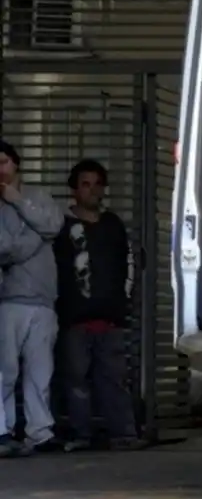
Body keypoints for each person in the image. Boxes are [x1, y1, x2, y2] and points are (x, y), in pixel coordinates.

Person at [53, 159, 144, 452]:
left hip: (110, 319)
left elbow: (128, 264)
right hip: (73, 319)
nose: (92, 190)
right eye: (85, 184)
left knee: (115, 379)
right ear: (74, 189)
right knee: (76, 380)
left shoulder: (112, 225)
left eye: (97, 184)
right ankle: (80, 434)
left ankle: (123, 433)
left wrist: (124, 300)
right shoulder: (61, 227)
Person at [0, 140, 64, 456]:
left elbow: (55, 224)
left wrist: (18, 201)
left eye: (3, 162)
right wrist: (39, 236)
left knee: (41, 373)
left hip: (43, 301)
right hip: (8, 300)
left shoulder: (37, 196)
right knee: (6, 372)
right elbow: (4, 249)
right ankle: (6, 431)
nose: (0, 170)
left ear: (16, 163)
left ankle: (40, 432)